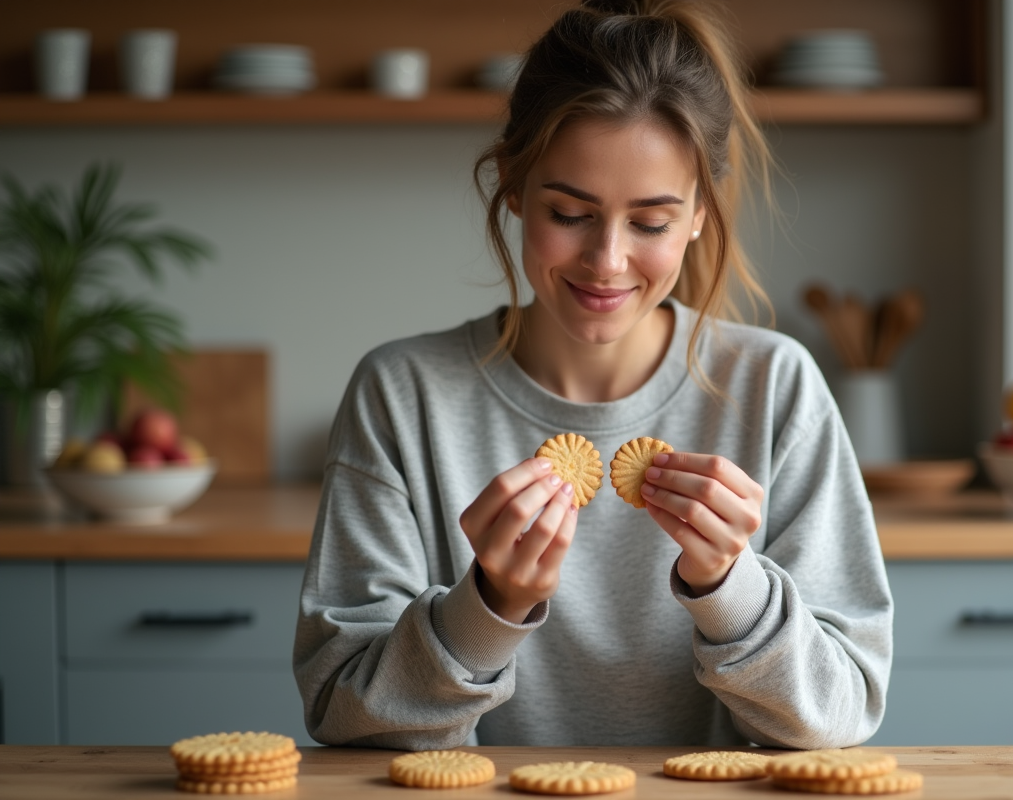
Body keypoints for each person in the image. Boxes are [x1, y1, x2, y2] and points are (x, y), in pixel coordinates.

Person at [293, 0, 892, 750]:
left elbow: (841, 715)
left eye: (650, 222)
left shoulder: (775, 389)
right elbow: (340, 714)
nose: (607, 260)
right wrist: (489, 605)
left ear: (701, 212)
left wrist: (727, 588)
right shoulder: (402, 396)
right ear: (512, 184)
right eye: (570, 212)